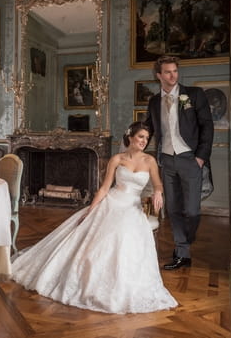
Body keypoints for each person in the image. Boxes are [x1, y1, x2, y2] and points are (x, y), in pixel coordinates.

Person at [11, 122, 178, 314]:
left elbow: (158, 184)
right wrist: (91, 210)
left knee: (123, 233)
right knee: (96, 235)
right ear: (130, 137)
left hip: (132, 207)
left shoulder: (149, 161)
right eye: (141, 137)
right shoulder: (117, 159)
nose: (144, 141)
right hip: (112, 202)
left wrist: (158, 193)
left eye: (147, 138)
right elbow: (105, 188)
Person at [144, 55, 214, 270]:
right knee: (173, 208)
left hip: (190, 159)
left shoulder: (194, 94)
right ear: (159, 75)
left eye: (175, 71)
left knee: (192, 211)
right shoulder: (154, 101)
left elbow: (207, 126)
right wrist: (133, 139)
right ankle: (182, 252)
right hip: (166, 160)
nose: (172, 75)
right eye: (167, 72)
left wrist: (200, 157)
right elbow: (148, 128)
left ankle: (184, 243)